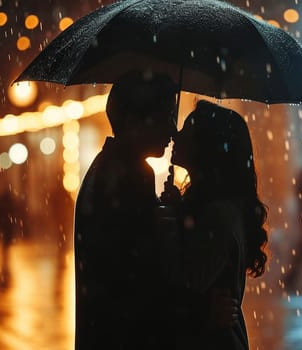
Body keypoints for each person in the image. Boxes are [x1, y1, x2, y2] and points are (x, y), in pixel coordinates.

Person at [74, 71, 234, 349]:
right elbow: (138, 283)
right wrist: (200, 313)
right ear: (135, 121)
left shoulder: (110, 167)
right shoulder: (130, 176)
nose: (173, 131)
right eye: (166, 116)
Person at [158, 100, 269, 349]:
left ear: (206, 146)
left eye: (188, 128)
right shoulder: (210, 207)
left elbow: (187, 278)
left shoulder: (219, 215)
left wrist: (167, 223)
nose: (176, 134)